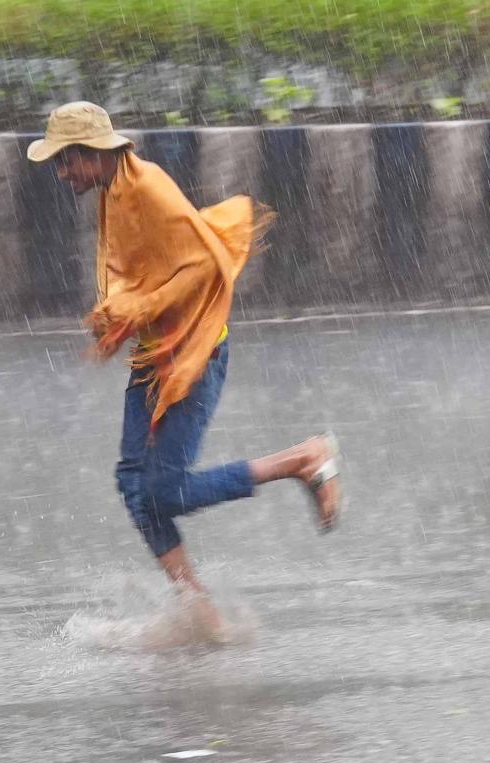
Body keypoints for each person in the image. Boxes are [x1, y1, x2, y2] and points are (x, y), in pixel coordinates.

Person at [27, 101, 342, 637]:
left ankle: (302, 460)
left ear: (91, 153)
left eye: (65, 161)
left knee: (164, 492)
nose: (61, 173)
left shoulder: (146, 186)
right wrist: (125, 310)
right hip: (159, 354)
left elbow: (201, 263)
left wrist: (136, 308)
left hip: (193, 352)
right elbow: (148, 269)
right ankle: (197, 605)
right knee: (133, 483)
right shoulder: (114, 189)